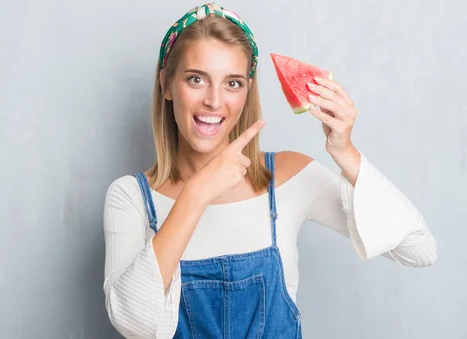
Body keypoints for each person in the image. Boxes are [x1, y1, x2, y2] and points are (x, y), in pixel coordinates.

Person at [102, 3, 437, 338]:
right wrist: (196, 194)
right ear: (167, 85)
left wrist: (345, 152)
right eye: (196, 79)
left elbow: (419, 249)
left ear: (247, 93)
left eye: (232, 83)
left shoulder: (289, 178)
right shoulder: (131, 197)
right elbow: (134, 323)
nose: (214, 101)